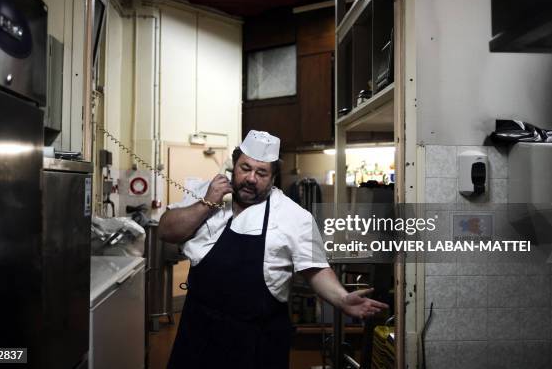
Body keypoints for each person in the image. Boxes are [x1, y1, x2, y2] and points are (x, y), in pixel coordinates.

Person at [159, 130, 388, 368]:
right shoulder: (206, 195)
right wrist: (207, 203)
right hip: (199, 332)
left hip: (256, 341)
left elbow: (315, 269)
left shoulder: (293, 217)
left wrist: (342, 298)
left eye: (261, 172)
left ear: (273, 177)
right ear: (233, 167)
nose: (251, 178)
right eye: (245, 168)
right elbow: (166, 231)